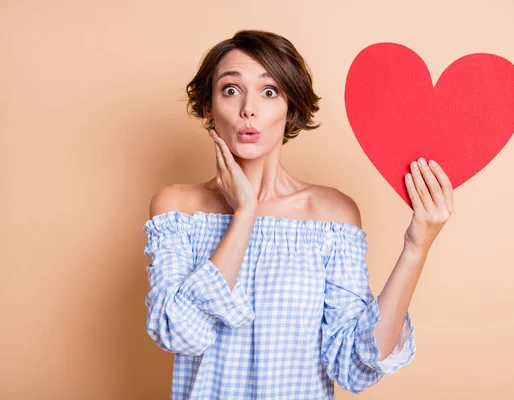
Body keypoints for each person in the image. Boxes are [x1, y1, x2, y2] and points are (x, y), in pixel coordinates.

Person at [142, 29, 454, 399]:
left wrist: (416, 247)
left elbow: (356, 361)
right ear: (209, 106)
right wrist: (245, 215)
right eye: (230, 89)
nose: (249, 109)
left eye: (269, 91)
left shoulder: (331, 215)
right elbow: (179, 332)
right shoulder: (178, 209)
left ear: (290, 107)